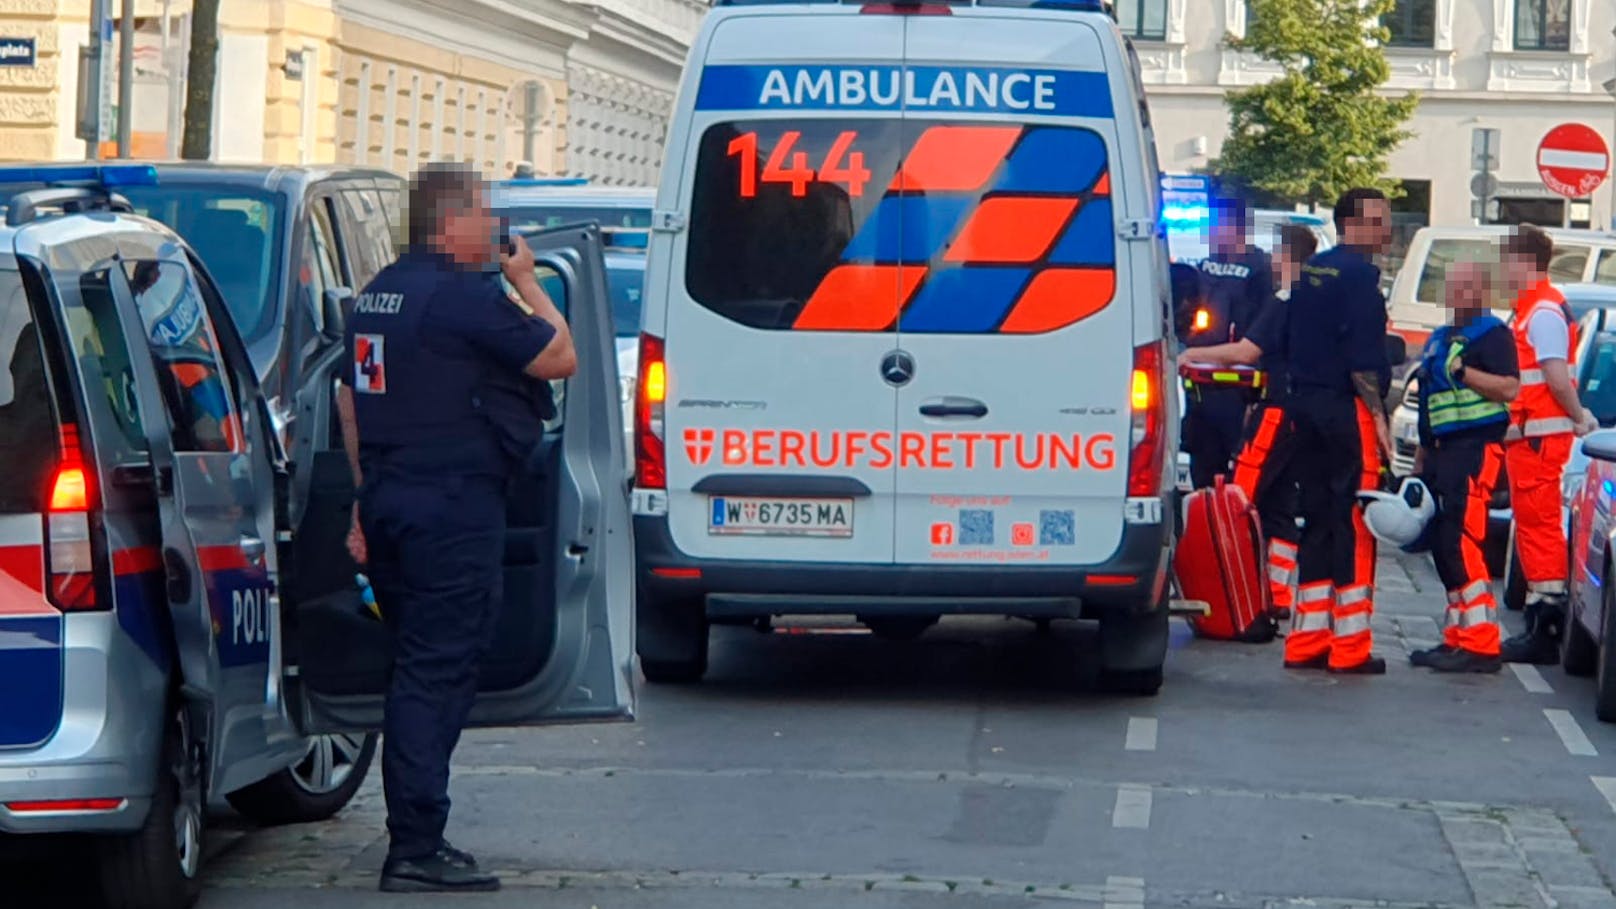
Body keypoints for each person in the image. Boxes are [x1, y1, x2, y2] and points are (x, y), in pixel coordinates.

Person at [335, 162, 577, 893]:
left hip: (392, 500)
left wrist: (360, 497)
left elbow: (350, 400)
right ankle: (416, 843)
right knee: (434, 672)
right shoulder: (463, 297)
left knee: (414, 664)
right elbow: (560, 356)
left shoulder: (376, 295)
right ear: (449, 222)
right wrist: (530, 282)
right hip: (449, 508)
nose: (496, 230)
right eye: (485, 216)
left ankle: (417, 834)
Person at [1176, 223, 1316, 618]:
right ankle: (1278, 593)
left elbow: (1248, 350)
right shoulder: (1315, 296)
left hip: (1278, 406)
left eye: (1276, 253)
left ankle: (1238, 589)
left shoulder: (1285, 297)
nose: (1270, 260)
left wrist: (1191, 357)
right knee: (1280, 501)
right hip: (1303, 410)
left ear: (1287, 256)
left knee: (1243, 497)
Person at [1282, 188, 1395, 675]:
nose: (1385, 230)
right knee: (1354, 520)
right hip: (1344, 410)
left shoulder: (1312, 271)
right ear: (1349, 223)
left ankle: (1307, 639)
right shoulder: (1360, 278)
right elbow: (1364, 360)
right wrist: (1379, 418)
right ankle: (1349, 647)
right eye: (1376, 220)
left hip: (1303, 404)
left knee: (1317, 516)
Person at [1406, 261, 1519, 673]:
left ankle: (1481, 643)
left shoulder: (1492, 335)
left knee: (1464, 540)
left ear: (1482, 291)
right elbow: (1430, 402)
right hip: (1440, 450)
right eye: (1452, 286)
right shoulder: (1440, 337)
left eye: (1465, 286)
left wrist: (1466, 373)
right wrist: (1421, 458)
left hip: (1475, 448)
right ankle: (1456, 637)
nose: (1456, 293)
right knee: (1443, 544)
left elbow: (1508, 387)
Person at [1498, 224, 1599, 665]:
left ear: (1523, 262)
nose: (1501, 270)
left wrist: (1579, 418)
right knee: (1534, 527)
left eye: (1506, 260)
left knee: (1540, 530)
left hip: (1540, 438)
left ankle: (1546, 624)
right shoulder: (1532, 310)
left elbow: (1555, 377)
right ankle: (1542, 618)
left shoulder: (1542, 312)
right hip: (1529, 437)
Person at [1179, 196, 1275, 488]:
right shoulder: (1205, 265)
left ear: (1236, 228)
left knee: (1236, 482)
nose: (1208, 233)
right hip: (1200, 391)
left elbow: (1258, 343)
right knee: (1202, 477)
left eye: (1213, 226)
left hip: (1239, 393)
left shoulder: (1262, 271)